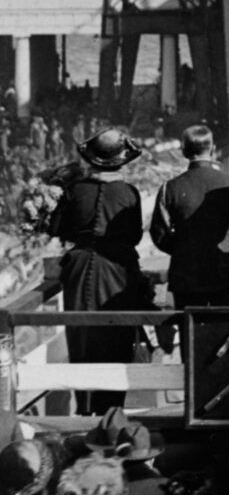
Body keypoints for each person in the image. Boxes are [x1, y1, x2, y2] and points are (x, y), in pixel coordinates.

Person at [45, 127, 153, 414]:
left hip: (78, 271)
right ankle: (111, 412)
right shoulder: (128, 193)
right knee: (117, 338)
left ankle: (85, 408)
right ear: (120, 161)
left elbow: (57, 228)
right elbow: (134, 236)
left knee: (81, 337)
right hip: (118, 271)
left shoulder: (75, 191)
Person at [150, 125, 229, 308]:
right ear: (213, 149)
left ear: (184, 151)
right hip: (225, 272)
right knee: (227, 325)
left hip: (186, 274)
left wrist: (183, 249)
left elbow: (159, 233)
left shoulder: (170, 188)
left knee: (190, 325)